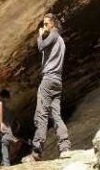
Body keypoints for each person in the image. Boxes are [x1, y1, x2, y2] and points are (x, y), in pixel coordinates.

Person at [30, 13, 70, 160]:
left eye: (46, 24)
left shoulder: (53, 35)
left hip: (48, 80)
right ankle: (64, 147)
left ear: (53, 24)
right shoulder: (61, 41)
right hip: (57, 81)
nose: (44, 26)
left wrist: (40, 35)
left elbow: (41, 47)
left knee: (41, 114)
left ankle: (36, 151)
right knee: (56, 115)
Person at [0, 89, 18, 166]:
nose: (8, 100)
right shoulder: (0, 103)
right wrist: (1, 123)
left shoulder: (5, 106)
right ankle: (6, 163)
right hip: (5, 126)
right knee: (5, 141)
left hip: (8, 126)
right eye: (8, 98)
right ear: (5, 97)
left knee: (8, 143)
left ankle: (4, 162)